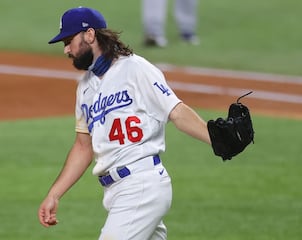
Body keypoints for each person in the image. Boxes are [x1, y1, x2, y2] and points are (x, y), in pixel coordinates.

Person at [38, 6, 210, 240]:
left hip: (141, 185)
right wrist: (54, 194)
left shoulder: (135, 68)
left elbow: (176, 111)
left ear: (90, 35)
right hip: (116, 192)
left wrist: (215, 137)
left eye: (69, 40)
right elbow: (82, 146)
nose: (66, 49)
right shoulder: (85, 87)